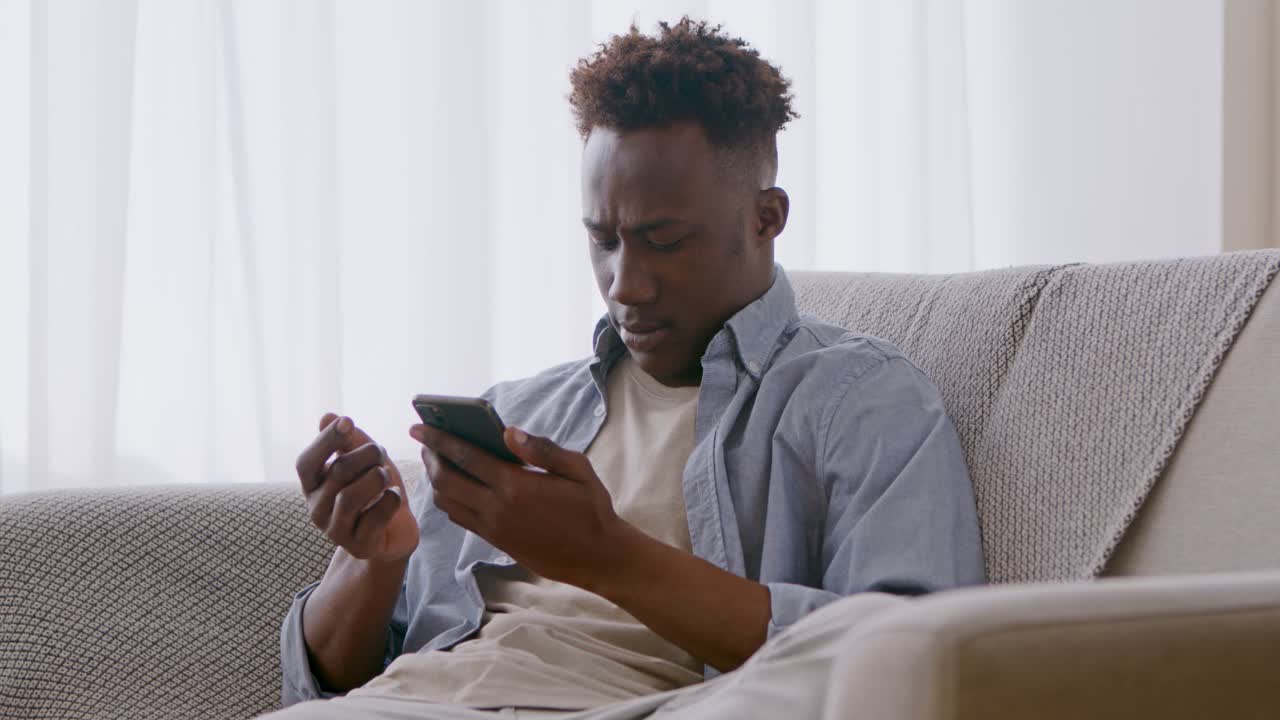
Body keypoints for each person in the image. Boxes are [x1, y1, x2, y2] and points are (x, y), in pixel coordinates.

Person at [261, 17, 984, 720]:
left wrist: (609, 558)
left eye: (662, 240)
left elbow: (910, 655)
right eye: (603, 240)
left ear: (766, 217)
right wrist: (374, 560)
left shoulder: (857, 398)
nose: (625, 284)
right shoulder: (522, 414)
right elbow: (325, 683)